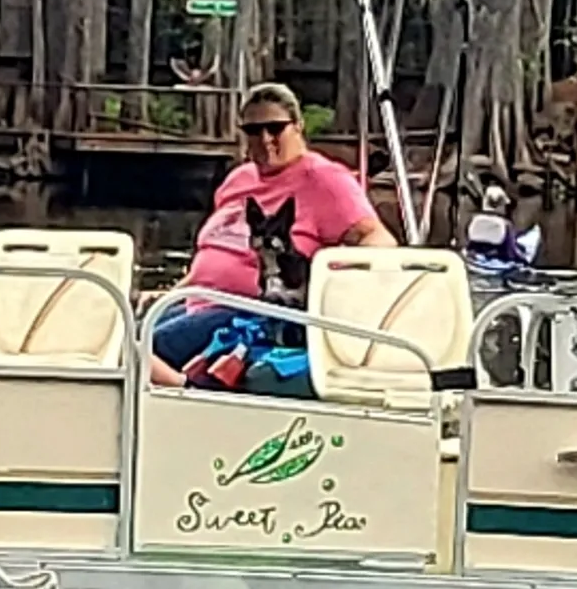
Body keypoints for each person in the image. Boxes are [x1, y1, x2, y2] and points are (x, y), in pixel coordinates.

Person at [150, 81, 395, 383]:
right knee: (115, 329)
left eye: (275, 128)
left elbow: (379, 241)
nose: (265, 139)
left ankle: (184, 390)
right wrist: (172, 293)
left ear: (298, 127)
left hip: (251, 309)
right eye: (253, 131)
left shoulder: (324, 180)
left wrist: (326, 282)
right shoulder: (238, 180)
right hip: (197, 298)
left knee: (146, 347)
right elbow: (215, 255)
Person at [463, 182, 542, 285]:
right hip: (499, 267)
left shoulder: (474, 220)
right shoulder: (505, 225)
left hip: (476, 263)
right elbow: (510, 250)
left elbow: (470, 246)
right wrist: (523, 261)